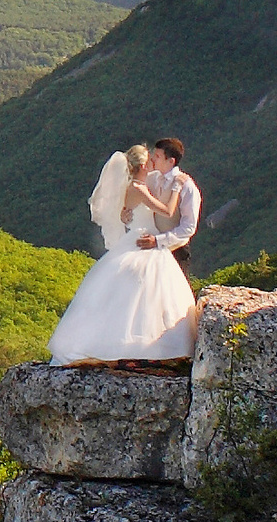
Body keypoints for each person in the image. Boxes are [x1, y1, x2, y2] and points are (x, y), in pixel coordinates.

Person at [45, 142, 196, 366]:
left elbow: (135, 212)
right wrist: (175, 188)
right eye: (151, 158)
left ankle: (140, 346)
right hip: (146, 242)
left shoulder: (142, 183)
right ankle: (146, 348)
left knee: (139, 296)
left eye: (158, 156)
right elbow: (166, 211)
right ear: (144, 165)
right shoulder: (139, 188)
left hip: (144, 241)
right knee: (145, 295)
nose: (154, 161)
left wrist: (129, 213)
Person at [134, 137, 201, 271]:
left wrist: (158, 241)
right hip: (149, 250)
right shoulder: (151, 178)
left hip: (176, 251)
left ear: (170, 161)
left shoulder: (187, 186)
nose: (152, 158)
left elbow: (188, 227)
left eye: (157, 156)